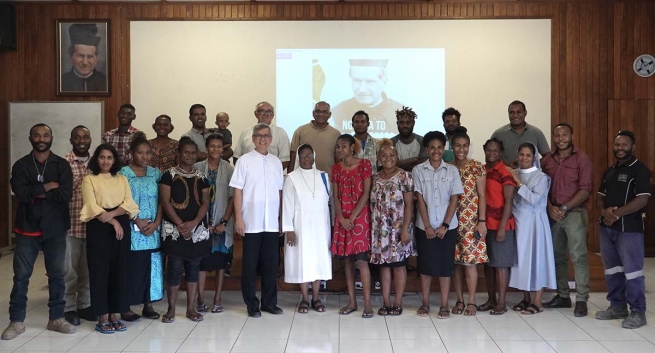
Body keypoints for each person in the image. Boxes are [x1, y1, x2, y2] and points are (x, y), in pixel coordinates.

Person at [3, 124, 75, 340]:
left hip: (55, 228)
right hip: (27, 228)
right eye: (37, 135)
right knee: (21, 277)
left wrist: (37, 192)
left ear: (51, 137)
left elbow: (65, 194)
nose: (41, 138)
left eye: (45, 135)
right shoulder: (21, 165)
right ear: (30, 138)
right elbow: (22, 194)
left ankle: (56, 318)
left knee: (57, 275)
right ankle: (16, 322)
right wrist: (47, 186)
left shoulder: (61, 165)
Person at [79, 143, 139, 334]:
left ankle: (114, 314)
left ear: (115, 160)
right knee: (100, 271)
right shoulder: (89, 179)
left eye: (109, 158)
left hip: (120, 224)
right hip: (99, 226)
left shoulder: (121, 178)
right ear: (97, 159)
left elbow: (129, 202)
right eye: (102, 157)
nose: (106, 161)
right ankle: (102, 316)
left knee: (119, 270)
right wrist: (113, 221)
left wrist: (114, 216)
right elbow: (91, 204)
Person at [596, 130, 651, 329]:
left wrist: (616, 214)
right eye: (617, 145)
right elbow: (600, 197)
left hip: (629, 229)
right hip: (607, 228)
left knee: (633, 272)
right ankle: (617, 306)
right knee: (613, 270)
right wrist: (604, 213)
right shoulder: (610, 170)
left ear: (632, 147)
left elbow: (642, 199)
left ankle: (638, 311)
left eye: (624, 145)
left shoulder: (640, 169)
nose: (620, 148)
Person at [230, 123, 285, 318]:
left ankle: (269, 303)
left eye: (266, 136)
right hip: (250, 221)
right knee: (250, 265)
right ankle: (251, 304)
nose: (263, 139)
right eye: (259, 136)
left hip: (271, 222)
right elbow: (237, 190)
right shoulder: (244, 161)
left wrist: (280, 218)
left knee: (271, 264)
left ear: (271, 139)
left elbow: (279, 192)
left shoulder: (276, 162)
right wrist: (239, 218)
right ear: (253, 139)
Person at [541, 123, 593, 317]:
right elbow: (540, 185)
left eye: (564, 135)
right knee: (558, 257)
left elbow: (586, 189)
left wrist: (564, 207)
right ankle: (563, 296)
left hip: (574, 214)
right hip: (553, 214)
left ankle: (581, 299)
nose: (561, 138)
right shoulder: (547, 160)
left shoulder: (582, 159)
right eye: (557, 135)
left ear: (572, 135)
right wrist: (550, 207)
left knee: (578, 257)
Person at [159, 137, 211, 323]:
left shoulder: (202, 176)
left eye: (193, 152)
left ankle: (191, 309)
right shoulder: (168, 175)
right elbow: (165, 201)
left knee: (194, 268)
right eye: (186, 152)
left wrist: (194, 223)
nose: (190, 155)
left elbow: (206, 202)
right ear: (178, 154)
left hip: (197, 231)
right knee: (173, 268)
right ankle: (171, 309)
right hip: (174, 230)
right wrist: (180, 224)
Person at [412, 131, 463, 319]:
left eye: (439, 147)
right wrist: (427, 226)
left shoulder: (452, 170)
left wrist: (444, 225)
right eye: (432, 147)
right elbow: (419, 199)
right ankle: (424, 303)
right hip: (424, 227)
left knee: (444, 266)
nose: (436, 151)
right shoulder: (418, 170)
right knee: (425, 266)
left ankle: (443, 305)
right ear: (427, 149)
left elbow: (454, 199)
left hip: (446, 228)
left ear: (444, 149)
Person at [118, 132, 164, 322]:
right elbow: (121, 200)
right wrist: (135, 219)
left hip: (153, 229)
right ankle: (126, 306)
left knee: (151, 265)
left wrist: (156, 223)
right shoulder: (123, 174)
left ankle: (148, 304)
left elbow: (163, 201)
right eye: (140, 153)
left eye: (148, 153)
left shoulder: (156, 174)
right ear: (132, 153)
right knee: (131, 266)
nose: (144, 157)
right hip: (131, 228)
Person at [283, 144, 332, 314]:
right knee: (302, 261)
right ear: (298, 158)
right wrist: (289, 229)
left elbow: (328, 202)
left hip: (320, 226)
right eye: (302, 155)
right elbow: (287, 205)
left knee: (318, 260)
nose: (306, 158)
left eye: (309, 155)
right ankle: (304, 298)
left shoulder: (323, 177)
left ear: (314, 156)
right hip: (300, 227)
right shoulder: (291, 178)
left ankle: (316, 297)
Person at [508, 142, 556, 315]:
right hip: (519, 222)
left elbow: (534, 199)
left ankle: (537, 301)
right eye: (521, 154)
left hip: (535, 223)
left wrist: (518, 182)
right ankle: (526, 297)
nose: (524, 158)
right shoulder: (514, 173)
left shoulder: (541, 177)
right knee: (522, 260)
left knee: (537, 259)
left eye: (528, 155)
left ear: (534, 157)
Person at [370, 139, 415, 316]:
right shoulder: (375, 178)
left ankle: (397, 302)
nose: (388, 158)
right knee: (384, 266)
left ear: (397, 157)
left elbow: (410, 206)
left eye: (392, 155)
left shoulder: (405, 176)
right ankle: (386, 302)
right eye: (384, 155)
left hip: (398, 229)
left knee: (398, 266)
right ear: (379, 158)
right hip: (380, 230)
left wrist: (405, 230)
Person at [331, 134, 373, 318]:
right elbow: (336, 196)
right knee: (347, 261)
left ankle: (368, 305)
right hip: (342, 220)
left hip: (359, 219)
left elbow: (366, 194)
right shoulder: (335, 169)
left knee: (362, 261)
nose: (340, 150)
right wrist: (341, 217)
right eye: (338, 146)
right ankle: (352, 302)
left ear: (352, 148)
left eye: (343, 146)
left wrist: (353, 217)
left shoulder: (365, 165)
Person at [194, 133, 235, 314]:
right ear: (207, 147)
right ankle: (201, 299)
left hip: (221, 225)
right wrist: (202, 223)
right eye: (212, 146)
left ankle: (217, 298)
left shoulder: (229, 169)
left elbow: (233, 197)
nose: (216, 150)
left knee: (220, 263)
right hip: (201, 224)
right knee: (201, 262)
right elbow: (194, 197)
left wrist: (223, 222)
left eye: (219, 146)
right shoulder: (197, 167)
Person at [450, 128, 488, 317]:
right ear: (452, 146)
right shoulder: (448, 167)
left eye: (465, 145)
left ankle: (471, 301)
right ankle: (459, 299)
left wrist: (481, 221)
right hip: (451, 221)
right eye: (458, 145)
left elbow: (482, 195)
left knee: (469, 263)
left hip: (471, 221)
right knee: (455, 263)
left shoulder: (477, 167)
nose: (461, 149)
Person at [477, 138, 517, 316]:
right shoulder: (483, 170)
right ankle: (491, 299)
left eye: (495, 150)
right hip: (485, 225)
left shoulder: (505, 172)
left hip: (502, 225)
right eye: (489, 150)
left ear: (500, 152)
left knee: (501, 265)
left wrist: (502, 227)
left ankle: (501, 302)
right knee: (489, 264)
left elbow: (509, 201)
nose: (492, 153)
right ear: (484, 150)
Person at [63, 126, 95, 326]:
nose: (82, 140)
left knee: (88, 269)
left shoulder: (97, 162)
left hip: (92, 227)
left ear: (90, 139)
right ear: (71, 140)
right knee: (68, 271)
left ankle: (84, 306)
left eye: (85, 137)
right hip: (70, 226)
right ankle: (67, 308)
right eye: (77, 137)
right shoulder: (63, 163)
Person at [332, 59, 404, 135]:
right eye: (357, 81)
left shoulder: (400, 112)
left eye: (370, 82)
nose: (362, 89)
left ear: (384, 82)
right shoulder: (336, 113)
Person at [233, 101, 291, 171]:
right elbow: (237, 156)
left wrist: (269, 174)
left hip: (271, 177)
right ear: (255, 114)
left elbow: (285, 160)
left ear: (273, 115)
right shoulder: (246, 131)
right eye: (262, 111)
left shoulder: (280, 133)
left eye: (269, 112)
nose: (266, 114)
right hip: (248, 176)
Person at [490, 100, 550, 167]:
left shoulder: (536, 132)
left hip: (530, 176)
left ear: (525, 113)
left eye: (519, 112)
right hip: (506, 175)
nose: (515, 115)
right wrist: (506, 167)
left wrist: (534, 165)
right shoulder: (499, 134)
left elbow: (547, 157)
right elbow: (490, 157)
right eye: (512, 112)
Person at [289, 101, 340, 173]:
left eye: (324, 112)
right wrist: (290, 174)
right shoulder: (300, 131)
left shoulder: (336, 134)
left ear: (330, 114)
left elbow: (338, 159)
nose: (321, 114)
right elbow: (293, 155)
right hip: (303, 177)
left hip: (328, 178)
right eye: (318, 111)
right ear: (313, 113)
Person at [61, 24, 107, 92]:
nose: (85, 62)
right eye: (80, 56)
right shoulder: (62, 81)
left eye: (90, 57)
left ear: (96, 59)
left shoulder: (105, 82)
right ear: (71, 57)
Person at [390, 106, 428, 172]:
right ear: (397, 124)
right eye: (401, 122)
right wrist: (414, 160)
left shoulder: (422, 141)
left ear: (413, 123)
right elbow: (390, 165)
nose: (405, 126)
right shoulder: (391, 142)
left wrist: (399, 165)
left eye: (408, 122)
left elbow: (424, 164)